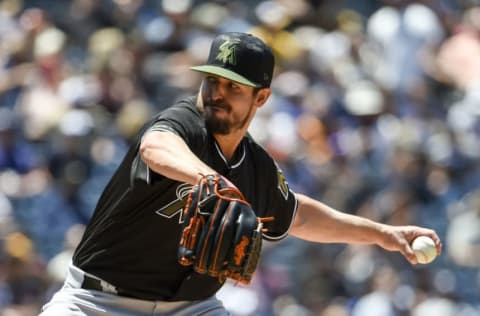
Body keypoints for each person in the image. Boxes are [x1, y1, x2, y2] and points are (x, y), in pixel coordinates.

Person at [39, 32, 442, 316]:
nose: (216, 92)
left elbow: (297, 215)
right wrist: (211, 182)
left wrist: (383, 234)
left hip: (191, 309)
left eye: (233, 87)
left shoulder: (256, 168)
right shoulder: (182, 125)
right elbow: (154, 147)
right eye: (212, 80)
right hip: (98, 303)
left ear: (261, 97)